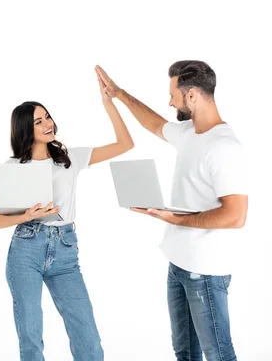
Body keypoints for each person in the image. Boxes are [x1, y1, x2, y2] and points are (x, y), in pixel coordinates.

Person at [95, 61, 248, 361]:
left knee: (218, 353)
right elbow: (153, 123)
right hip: (178, 264)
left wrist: (175, 218)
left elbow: (236, 215)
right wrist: (119, 94)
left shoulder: (224, 147)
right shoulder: (190, 133)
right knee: (184, 352)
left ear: (192, 96)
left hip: (205, 271)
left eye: (173, 95)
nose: (169, 102)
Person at [0, 70, 134, 361]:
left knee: (87, 337)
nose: (47, 124)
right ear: (25, 130)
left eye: (47, 117)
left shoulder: (70, 158)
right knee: (30, 336)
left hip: (65, 249)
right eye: (38, 121)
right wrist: (26, 214)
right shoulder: (14, 165)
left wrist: (109, 105)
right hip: (25, 249)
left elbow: (125, 144)